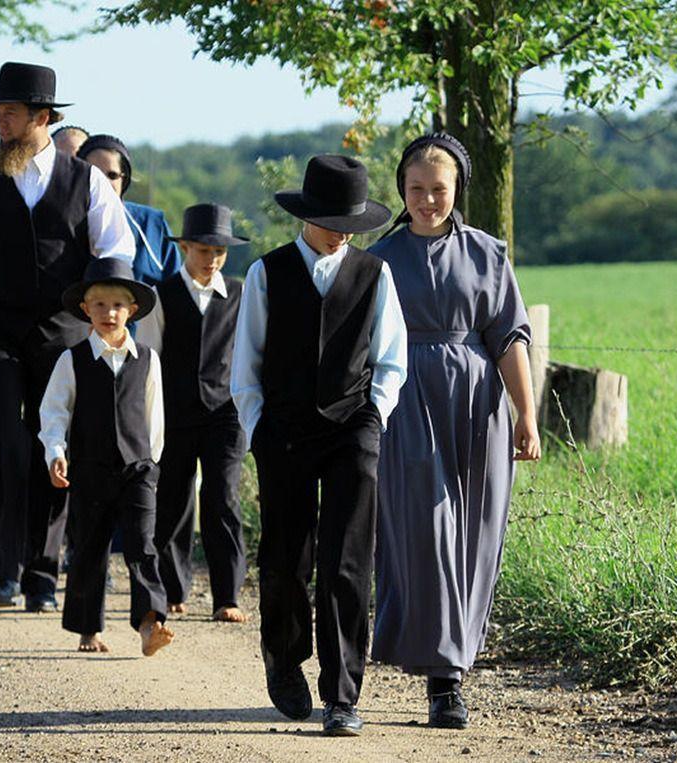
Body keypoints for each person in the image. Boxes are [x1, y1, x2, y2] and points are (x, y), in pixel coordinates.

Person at [0, 62, 133, 613]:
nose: (0, 123)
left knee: (51, 444)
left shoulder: (85, 180)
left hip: (62, 332)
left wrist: (105, 318)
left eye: (10, 114)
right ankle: (0, 573)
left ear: (42, 117)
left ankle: (42, 573)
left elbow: (116, 251)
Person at [368, 133, 540, 729]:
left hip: (478, 404)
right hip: (405, 398)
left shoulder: (489, 253)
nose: (427, 200)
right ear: (402, 191)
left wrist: (528, 413)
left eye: (438, 189)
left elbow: (510, 336)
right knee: (429, 526)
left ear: (457, 188)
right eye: (415, 189)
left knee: (474, 535)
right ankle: (444, 682)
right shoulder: (381, 259)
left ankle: (453, 665)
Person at [231, 155, 407, 735]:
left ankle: (342, 695)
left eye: (351, 222)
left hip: (353, 427)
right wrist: (258, 428)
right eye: (334, 220)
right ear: (306, 215)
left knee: (347, 563)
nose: (343, 232)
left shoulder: (374, 275)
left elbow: (391, 360)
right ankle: (283, 655)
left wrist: (373, 418)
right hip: (282, 431)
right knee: (286, 558)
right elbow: (246, 365)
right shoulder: (266, 273)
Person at [39, 257, 174, 655]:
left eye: (117, 305)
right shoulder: (73, 359)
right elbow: (54, 412)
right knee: (89, 549)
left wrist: (151, 466)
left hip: (138, 470)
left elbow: (155, 417)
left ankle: (150, 624)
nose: (108, 313)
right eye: (99, 304)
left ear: (132, 311)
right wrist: (55, 453)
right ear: (85, 310)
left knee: (142, 544)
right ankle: (88, 628)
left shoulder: (148, 359)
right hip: (90, 469)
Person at [135, 203, 250, 622]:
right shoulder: (161, 295)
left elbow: (251, 355)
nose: (212, 259)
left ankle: (227, 596)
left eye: (219, 252)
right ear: (184, 247)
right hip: (175, 411)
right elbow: (150, 359)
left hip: (226, 413)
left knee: (222, 497)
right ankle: (171, 588)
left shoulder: (240, 293)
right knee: (173, 499)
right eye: (203, 250)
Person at [77, 134, 180, 287]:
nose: (102, 182)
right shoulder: (64, 223)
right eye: (95, 175)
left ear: (124, 179)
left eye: (112, 175)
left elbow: (175, 287)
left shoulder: (152, 223)